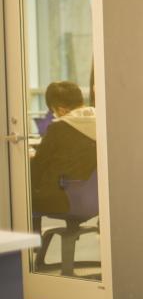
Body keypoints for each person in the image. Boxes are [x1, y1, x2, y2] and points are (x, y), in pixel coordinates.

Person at [30, 81, 97, 215]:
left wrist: (31, 158)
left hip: (64, 200)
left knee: (24, 195)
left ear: (61, 110)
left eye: (54, 112)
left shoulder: (58, 128)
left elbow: (39, 165)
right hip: (95, 198)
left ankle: (31, 231)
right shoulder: (100, 120)